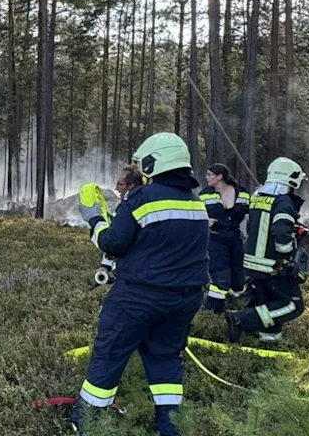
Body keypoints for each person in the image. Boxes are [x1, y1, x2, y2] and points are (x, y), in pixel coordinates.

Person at [72, 133, 210, 436]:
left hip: (139, 298)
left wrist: (95, 218)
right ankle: (169, 426)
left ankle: (86, 422)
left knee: (110, 352)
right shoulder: (195, 202)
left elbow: (113, 242)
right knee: (165, 357)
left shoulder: (144, 197)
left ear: (154, 161)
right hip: (184, 299)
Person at [226, 157, 306, 344]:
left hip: (254, 264)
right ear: (291, 179)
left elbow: (254, 228)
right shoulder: (284, 202)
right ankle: (240, 320)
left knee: (268, 303)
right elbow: (279, 230)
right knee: (293, 305)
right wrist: (287, 255)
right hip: (272, 266)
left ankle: (269, 342)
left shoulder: (258, 198)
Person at [200, 163, 250, 313]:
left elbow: (254, 212)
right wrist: (205, 221)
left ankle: (237, 309)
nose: (207, 177)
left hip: (235, 239)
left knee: (238, 279)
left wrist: (261, 194)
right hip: (215, 239)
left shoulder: (243, 193)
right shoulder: (204, 195)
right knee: (220, 276)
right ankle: (213, 312)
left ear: (220, 176)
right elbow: (194, 215)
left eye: (210, 174)